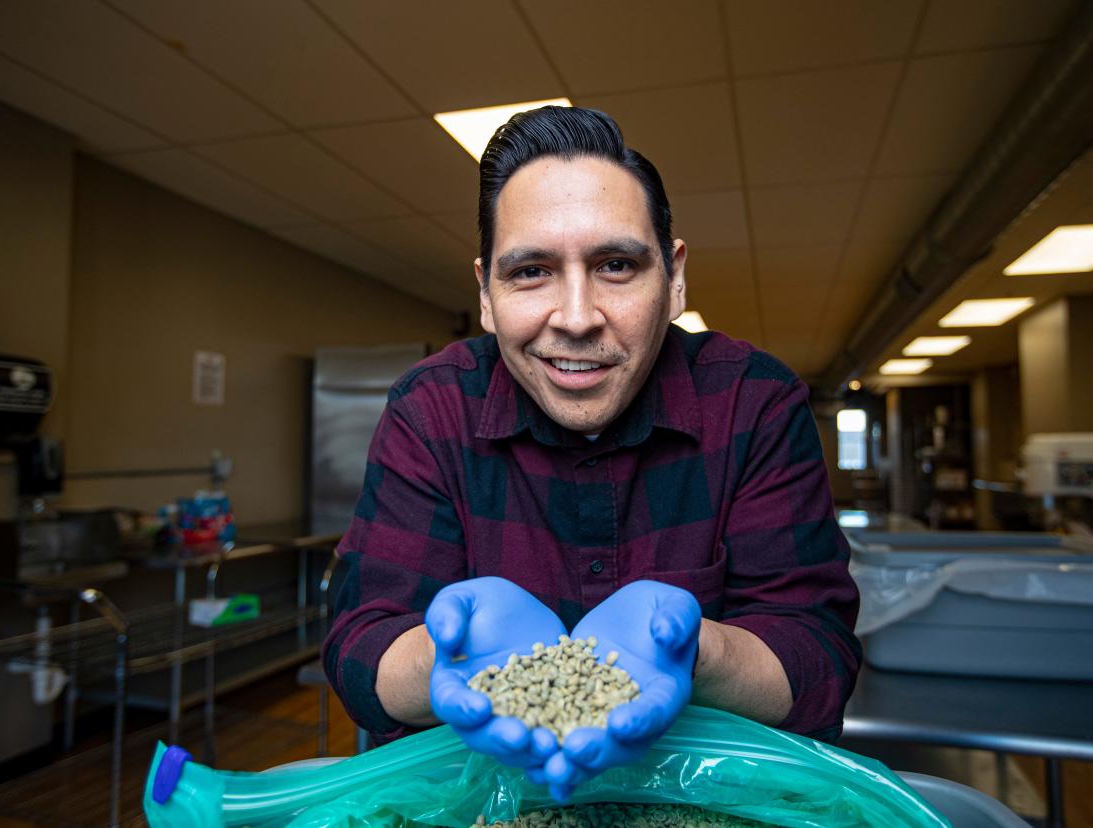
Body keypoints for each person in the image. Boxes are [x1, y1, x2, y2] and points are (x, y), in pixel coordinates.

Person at [323, 106, 860, 798]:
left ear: (675, 277)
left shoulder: (754, 403)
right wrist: (440, 655)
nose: (576, 318)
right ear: (486, 293)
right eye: (531, 273)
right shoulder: (430, 410)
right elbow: (359, 643)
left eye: (615, 265)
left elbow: (818, 656)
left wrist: (699, 655)